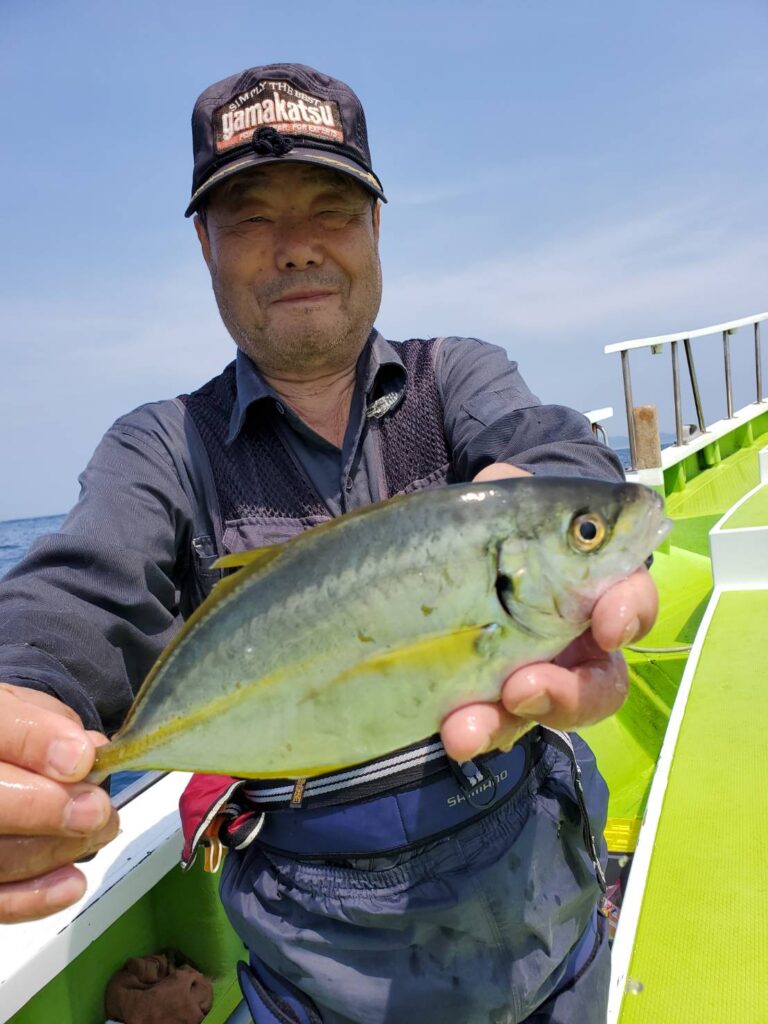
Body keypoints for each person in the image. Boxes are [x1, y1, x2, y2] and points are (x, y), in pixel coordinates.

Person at [0, 63, 657, 1023]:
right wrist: (23, 693)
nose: (298, 246)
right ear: (205, 243)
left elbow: (553, 447)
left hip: (547, 936)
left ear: (375, 227)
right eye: (252, 217)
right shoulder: (164, 449)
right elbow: (78, 595)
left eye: (332, 210)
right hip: (319, 976)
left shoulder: (453, 380)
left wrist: (553, 506)